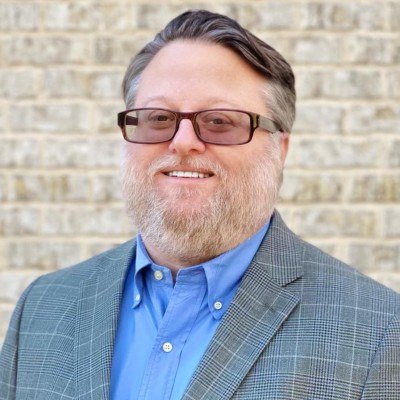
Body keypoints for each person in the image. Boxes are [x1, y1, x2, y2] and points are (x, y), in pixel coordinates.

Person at [1, 9, 399, 400]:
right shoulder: (43, 307)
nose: (183, 142)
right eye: (158, 118)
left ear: (280, 149)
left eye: (220, 121)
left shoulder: (378, 332)